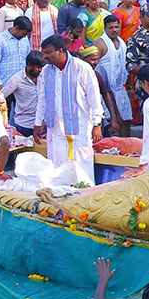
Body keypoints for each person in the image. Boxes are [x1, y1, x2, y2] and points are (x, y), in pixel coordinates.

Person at [34, 35, 104, 186]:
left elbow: (94, 97)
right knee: (57, 168)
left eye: (48, 52)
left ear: (60, 51)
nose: (44, 56)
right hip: (55, 130)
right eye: (43, 52)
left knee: (81, 168)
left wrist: (97, 124)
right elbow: (42, 99)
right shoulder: (46, 71)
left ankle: (86, 197)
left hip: (79, 128)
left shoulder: (82, 68)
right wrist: (38, 122)